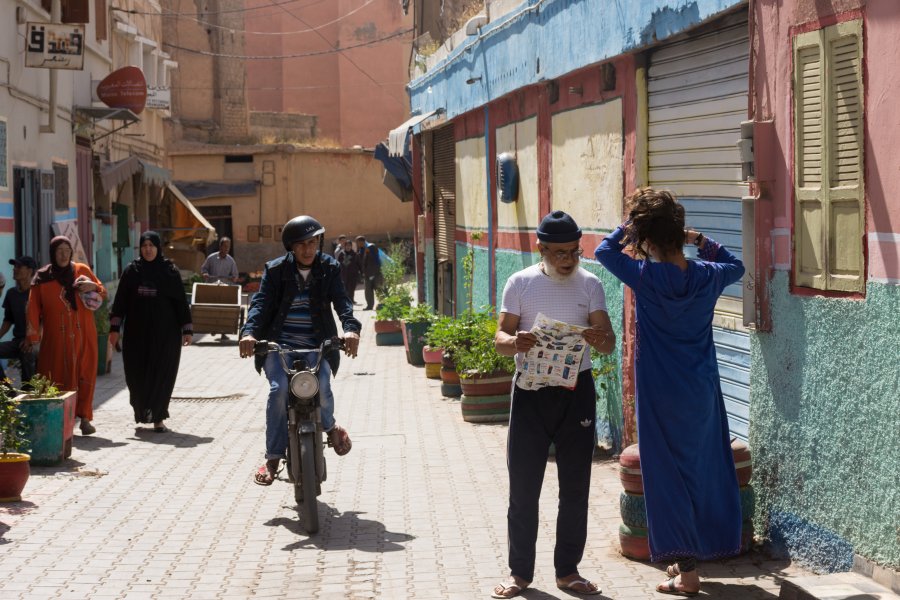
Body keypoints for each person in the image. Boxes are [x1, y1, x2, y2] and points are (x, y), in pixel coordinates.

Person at [594, 188, 745, 596]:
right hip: (701, 390)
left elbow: (603, 253)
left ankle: (689, 572)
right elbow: (737, 265)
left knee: (668, 477)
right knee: (703, 468)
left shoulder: (645, 277)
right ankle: (691, 566)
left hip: (660, 393)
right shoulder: (707, 274)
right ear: (678, 234)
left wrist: (628, 228)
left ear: (647, 237)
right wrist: (699, 240)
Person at [491, 211, 616, 599]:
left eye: (573, 251)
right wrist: (515, 343)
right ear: (541, 249)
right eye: (558, 252)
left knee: (575, 487)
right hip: (530, 392)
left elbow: (609, 340)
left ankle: (568, 572)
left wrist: (599, 339)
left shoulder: (590, 285)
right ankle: (519, 575)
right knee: (524, 488)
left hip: (575, 392)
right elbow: (500, 336)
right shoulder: (521, 284)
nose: (567, 259)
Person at [239, 215, 361, 486]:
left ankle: (329, 428)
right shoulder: (275, 270)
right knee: (278, 390)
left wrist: (350, 328)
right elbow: (259, 304)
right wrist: (249, 334)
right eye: (302, 244)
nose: (308, 249)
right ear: (291, 247)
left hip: (317, 345)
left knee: (324, 384)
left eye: (313, 242)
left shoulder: (329, 267)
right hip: (278, 346)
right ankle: (272, 458)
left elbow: (342, 302)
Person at [108, 232, 193, 433]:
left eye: (151, 245)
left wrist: (186, 329)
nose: (148, 249)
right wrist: (114, 329)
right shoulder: (132, 272)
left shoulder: (170, 271)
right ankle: (142, 411)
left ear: (158, 247)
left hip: (166, 335)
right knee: (136, 375)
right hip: (136, 335)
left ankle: (159, 417)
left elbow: (180, 301)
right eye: (144, 245)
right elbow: (119, 303)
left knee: (162, 374)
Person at [26, 236, 107, 435]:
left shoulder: (82, 271)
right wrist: (33, 338)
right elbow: (33, 310)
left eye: (67, 250)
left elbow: (102, 291)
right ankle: (60, 420)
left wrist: (93, 287)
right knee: (56, 375)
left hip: (84, 334)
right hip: (56, 337)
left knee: (85, 373)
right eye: (59, 250)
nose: (63, 254)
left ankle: (85, 418)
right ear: (52, 253)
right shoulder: (42, 278)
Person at [0, 256, 38, 383]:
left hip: (36, 342)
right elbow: (8, 320)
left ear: (30, 271)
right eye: (14, 267)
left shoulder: (38, 292)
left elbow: (45, 321)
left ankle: (30, 393)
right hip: (18, 341)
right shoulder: (11, 293)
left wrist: (32, 340)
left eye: (19, 267)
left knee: (28, 352)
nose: (14, 269)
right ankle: (6, 390)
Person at [356, 235, 382, 310]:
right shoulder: (362, 249)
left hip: (375, 273)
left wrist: (373, 273)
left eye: (358, 242)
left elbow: (374, 260)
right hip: (367, 273)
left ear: (362, 241)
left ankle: (384, 305)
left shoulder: (371, 247)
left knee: (379, 289)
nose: (357, 244)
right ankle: (369, 306)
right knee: (368, 291)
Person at [338, 239, 361, 305]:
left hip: (353, 274)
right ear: (344, 246)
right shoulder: (341, 254)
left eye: (349, 246)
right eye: (347, 246)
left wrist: (361, 272)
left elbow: (359, 264)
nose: (348, 247)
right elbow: (339, 264)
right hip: (344, 274)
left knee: (352, 288)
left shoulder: (355, 254)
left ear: (351, 246)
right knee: (345, 288)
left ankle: (351, 299)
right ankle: (346, 300)